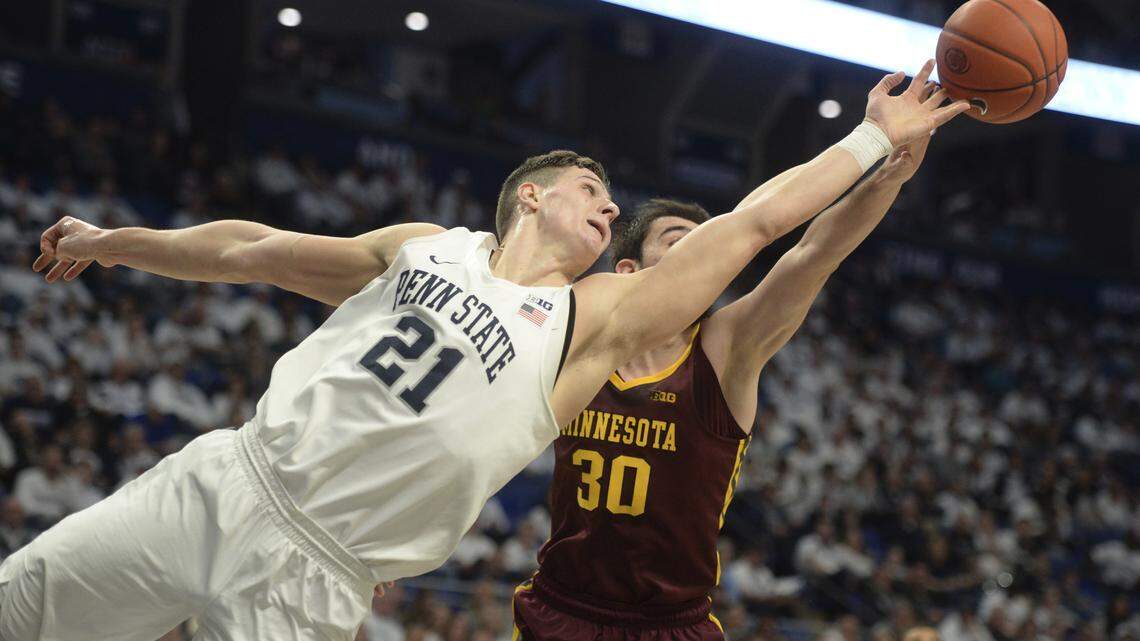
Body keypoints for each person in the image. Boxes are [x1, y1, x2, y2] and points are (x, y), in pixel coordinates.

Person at [2, 62, 965, 640]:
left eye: (615, 204)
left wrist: (872, 144)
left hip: (319, 566)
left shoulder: (595, 323)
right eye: (594, 190)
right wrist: (113, 242)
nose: (612, 206)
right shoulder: (425, 244)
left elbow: (758, 226)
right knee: (19, 605)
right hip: (224, 478)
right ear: (534, 195)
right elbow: (253, 250)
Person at [512, 100, 940, 640]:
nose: (702, 256)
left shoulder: (725, 348)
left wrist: (892, 174)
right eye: (678, 242)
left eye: (706, 245)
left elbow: (815, 252)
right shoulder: (577, 335)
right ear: (628, 271)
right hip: (560, 608)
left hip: (671, 623)